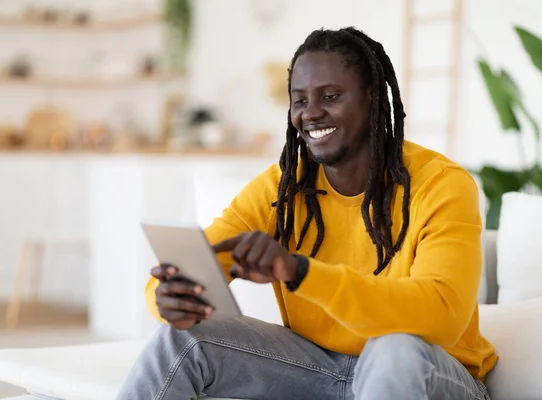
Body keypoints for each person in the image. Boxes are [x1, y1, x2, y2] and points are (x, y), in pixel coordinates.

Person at [117, 27, 497, 400]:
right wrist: (168, 296)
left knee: (394, 350)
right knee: (183, 338)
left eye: (330, 96)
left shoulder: (440, 184)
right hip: (318, 367)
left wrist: (301, 272)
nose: (311, 113)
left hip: (429, 373)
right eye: (300, 100)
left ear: (371, 99)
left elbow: (442, 316)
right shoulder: (283, 187)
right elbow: (202, 255)